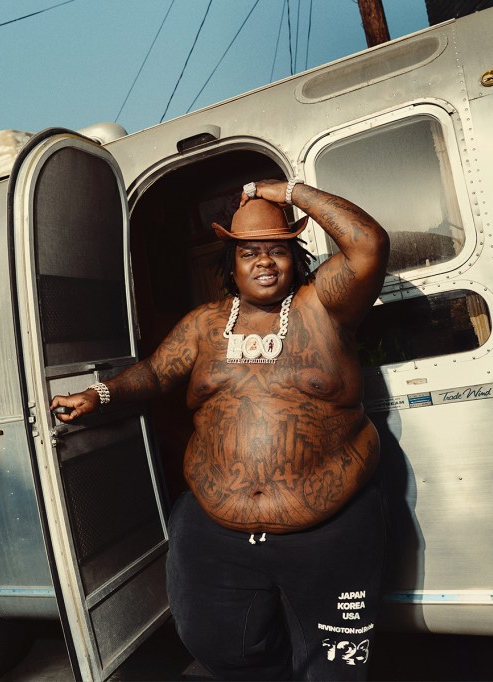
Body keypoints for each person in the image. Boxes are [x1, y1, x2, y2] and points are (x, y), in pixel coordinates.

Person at [50, 177, 390, 680]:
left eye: (278, 250)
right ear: (231, 266)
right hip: (215, 532)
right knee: (219, 647)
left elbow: (368, 243)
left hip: (329, 532)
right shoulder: (204, 325)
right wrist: (99, 395)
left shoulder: (326, 308)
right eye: (249, 252)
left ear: (295, 258)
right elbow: (155, 373)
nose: (265, 262)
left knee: (336, 668)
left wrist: (288, 192)